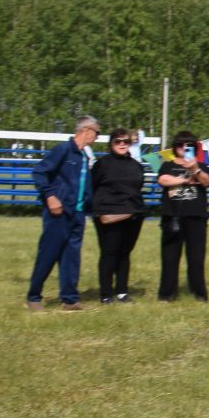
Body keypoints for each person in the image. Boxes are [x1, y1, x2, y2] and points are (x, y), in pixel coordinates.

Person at [25, 117, 99, 311]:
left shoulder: (84, 155)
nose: (97, 137)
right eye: (96, 133)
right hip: (59, 212)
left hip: (78, 213)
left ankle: (69, 298)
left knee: (71, 256)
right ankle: (33, 297)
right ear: (86, 130)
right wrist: (50, 196)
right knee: (48, 254)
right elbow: (39, 172)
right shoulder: (63, 150)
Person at [89, 127, 148, 304]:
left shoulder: (136, 165)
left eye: (126, 142)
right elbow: (93, 185)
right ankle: (106, 293)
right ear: (111, 143)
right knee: (109, 253)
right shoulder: (102, 164)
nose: (122, 144)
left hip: (133, 214)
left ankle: (122, 291)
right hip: (109, 215)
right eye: (118, 141)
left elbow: (139, 185)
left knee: (125, 253)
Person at [156, 131, 209, 302]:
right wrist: (184, 180)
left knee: (196, 258)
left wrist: (194, 169)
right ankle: (167, 293)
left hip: (196, 217)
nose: (184, 148)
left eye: (189, 146)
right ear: (175, 147)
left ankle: (199, 293)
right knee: (169, 257)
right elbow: (163, 180)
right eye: (181, 145)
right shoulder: (167, 165)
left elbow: (207, 181)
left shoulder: (201, 165)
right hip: (172, 216)